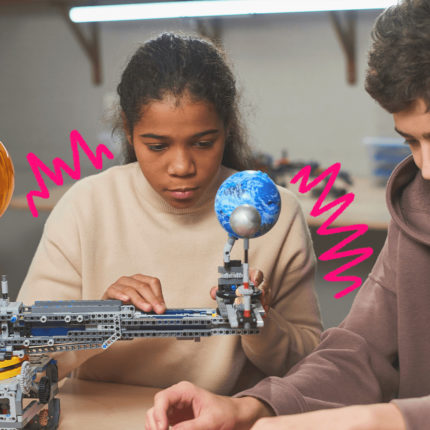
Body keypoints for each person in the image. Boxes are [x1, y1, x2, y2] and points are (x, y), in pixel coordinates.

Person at [145, 1, 430, 429]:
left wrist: (385, 420)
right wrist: (254, 407)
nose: (426, 168)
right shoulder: (418, 208)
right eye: (412, 141)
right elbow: (358, 350)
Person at [17, 33, 322, 395]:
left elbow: (312, 367)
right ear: (129, 133)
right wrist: (100, 316)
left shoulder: (274, 213)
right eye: (157, 145)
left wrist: (260, 323)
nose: (181, 166)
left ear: (228, 129)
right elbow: (20, 354)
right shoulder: (86, 206)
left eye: (203, 143)